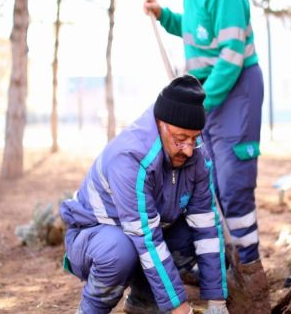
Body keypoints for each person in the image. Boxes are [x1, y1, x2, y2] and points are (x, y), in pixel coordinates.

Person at [143, 0, 268, 305]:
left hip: (234, 89)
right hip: (207, 94)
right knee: (206, 182)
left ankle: (250, 271)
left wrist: (198, 106)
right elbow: (196, 30)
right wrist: (165, 16)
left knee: (232, 183)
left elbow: (230, 58)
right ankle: (224, 264)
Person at [60, 75, 229, 314]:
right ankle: (90, 309)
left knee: (191, 233)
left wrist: (216, 301)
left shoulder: (197, 154)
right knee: (118, 252)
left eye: (195, 138)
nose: (189, 150)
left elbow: (207, 227)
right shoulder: (129, 158)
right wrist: (180, 308)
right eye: (181, 140)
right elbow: (147, 238)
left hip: (145, 234)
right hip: (94, 236)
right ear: (161, 124)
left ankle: (144, 302)